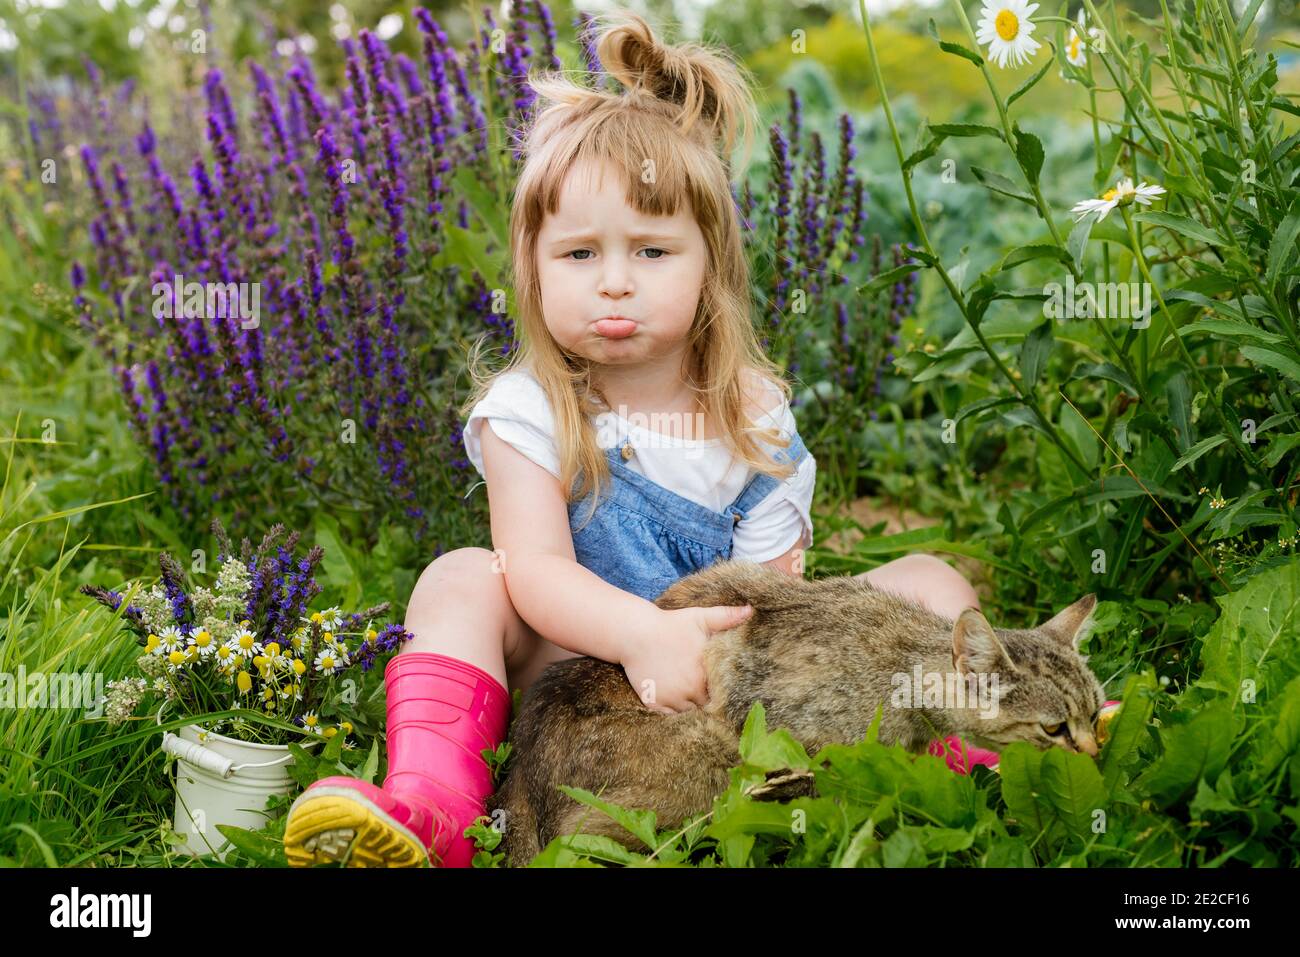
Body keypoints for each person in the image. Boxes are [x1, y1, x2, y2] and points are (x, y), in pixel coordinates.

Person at [283, 10, 985, 868]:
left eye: (652, 252)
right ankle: (435, 807)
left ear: (710, 265)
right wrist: (638, 635)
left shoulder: (752, 416)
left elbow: (780, 598)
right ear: (533, 269)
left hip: (720, 672)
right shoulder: (529, 407)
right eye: (579, 255)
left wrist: (708, 655)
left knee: (929, 579)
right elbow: (536, 571)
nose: (614, 283)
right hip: (569, 670)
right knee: (462, 579)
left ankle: (973, 747)